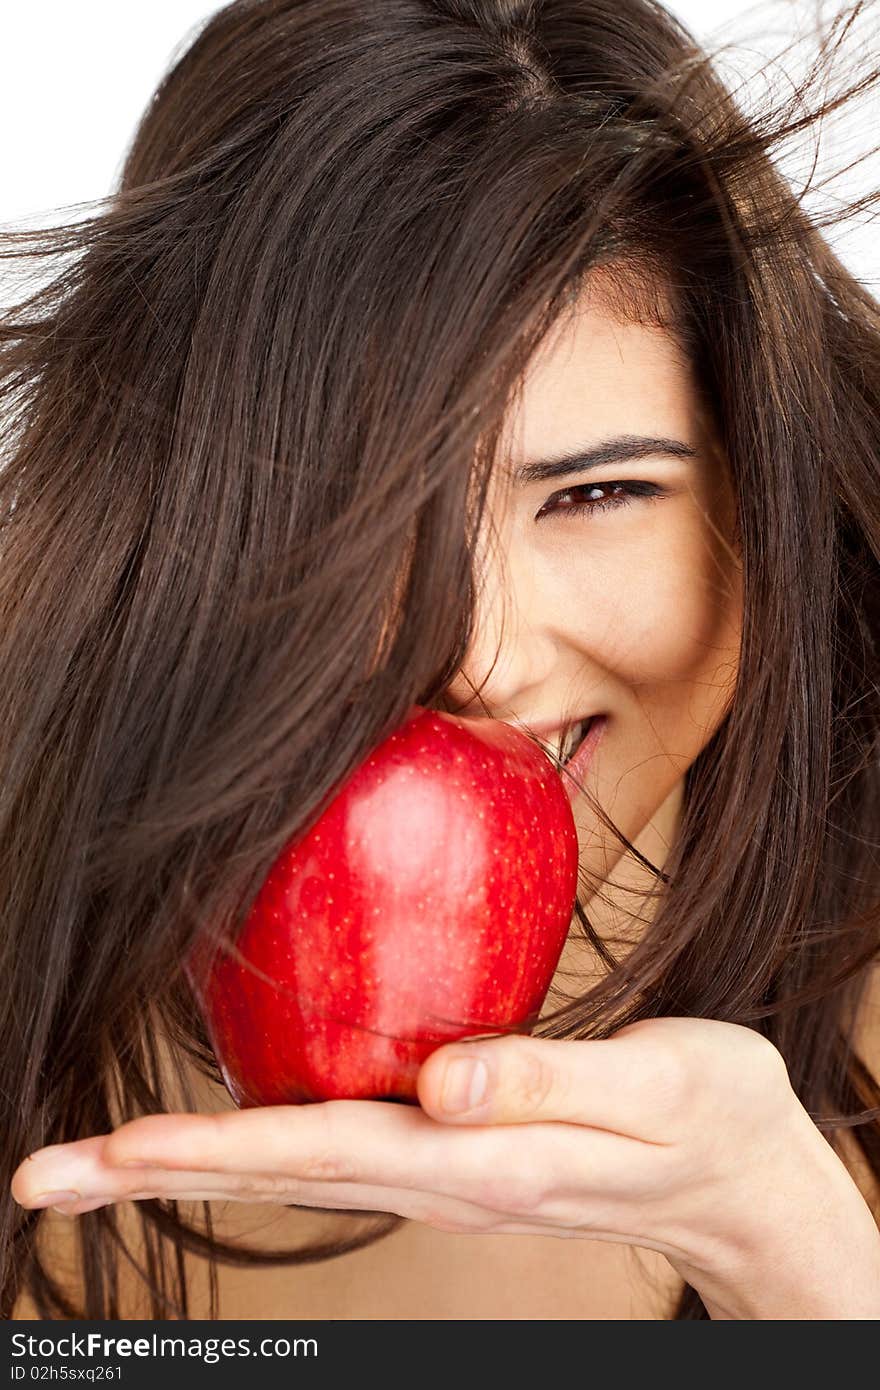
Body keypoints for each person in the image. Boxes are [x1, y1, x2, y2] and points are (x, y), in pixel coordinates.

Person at [3, 0, 879, 1321]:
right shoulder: (42, 1007)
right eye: (361, 519)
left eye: (595, 496)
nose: (472, 655)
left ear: (761, 486)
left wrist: (794, 1255)